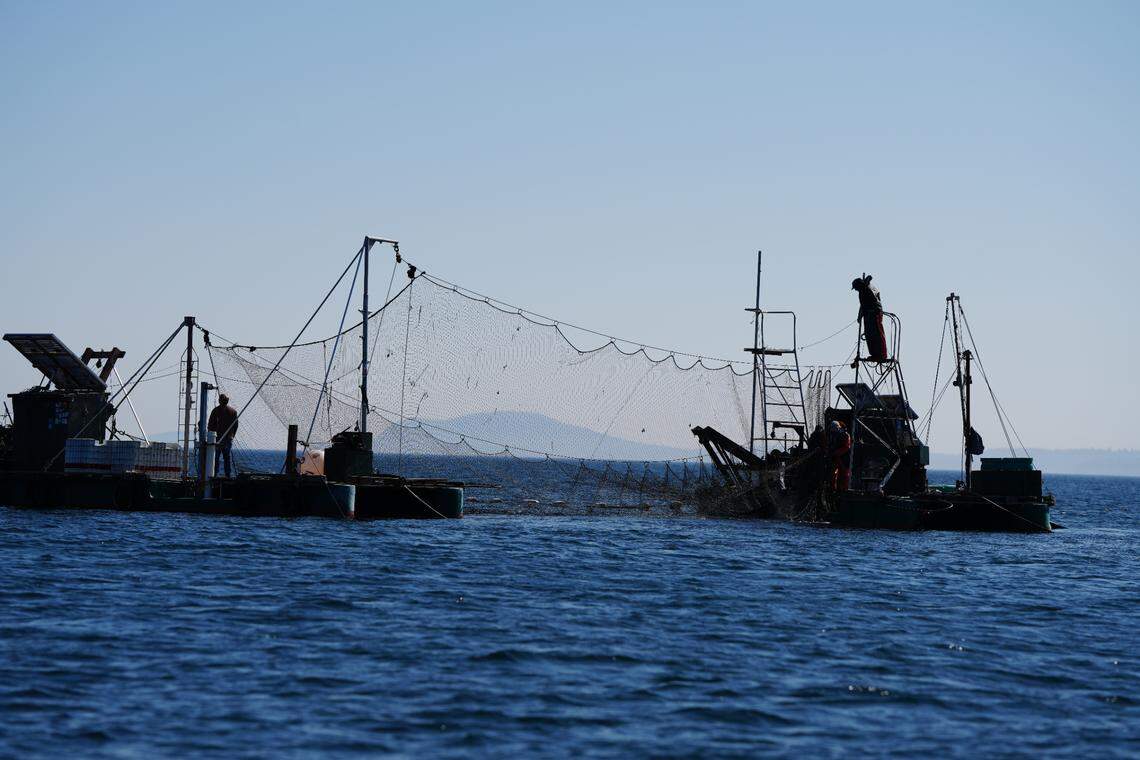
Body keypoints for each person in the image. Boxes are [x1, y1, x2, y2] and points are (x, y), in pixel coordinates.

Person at [852, 274, 888, 362]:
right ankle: (875, 354)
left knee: (877, 334)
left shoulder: (866, 289)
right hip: (869, 315)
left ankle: (882, 354)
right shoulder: (864, 289)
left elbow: (870, 302)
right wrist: (860, 315)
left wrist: (862, 314)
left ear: (858, 285)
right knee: (870, 335)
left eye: (856, 288)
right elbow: (863, 305)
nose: (856, 290)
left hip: (875, 314)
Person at [207, 393, 238, 477]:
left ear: (220, 401)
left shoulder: (216, 411)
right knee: (227, 457)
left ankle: (215, 474)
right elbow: (235, 426)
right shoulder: (233, 412)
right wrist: (232, 436)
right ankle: (228, 474)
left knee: (215, 458)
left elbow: (210, 425)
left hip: (218, 439)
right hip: (228, 439)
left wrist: (211, 435)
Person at [828, 420, 852, 492]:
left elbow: (847, 447)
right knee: (834, 475)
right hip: (836, 458)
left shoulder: (845, 435)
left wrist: (836, 453)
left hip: (843, 458)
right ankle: (834, 490)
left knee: (844, 475)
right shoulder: (833, 435)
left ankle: (844, 491)